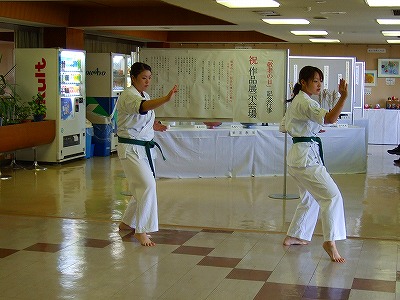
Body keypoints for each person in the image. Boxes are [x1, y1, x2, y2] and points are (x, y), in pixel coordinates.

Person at [279, 66, 348, 263]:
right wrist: (342, 97)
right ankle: (330, 242)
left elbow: (284, 126)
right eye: (315, 81)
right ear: (304, 82)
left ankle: (296, 235)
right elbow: (330, 118)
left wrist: (308, 130)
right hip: (306, 160)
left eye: (320, 81)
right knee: (332, 196)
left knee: (309, 198)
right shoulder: (305, 102)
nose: (319, 85)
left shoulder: (297, 101)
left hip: (298, 158)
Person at [116, 62, 178, 247]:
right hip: (131, 149)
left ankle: (127, 223)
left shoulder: (144, 95)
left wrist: (154, 125)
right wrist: (166, 99)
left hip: (143, 148)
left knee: (140, 187)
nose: (147, 81)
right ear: (133, 78)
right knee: (147, 186)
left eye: (149, 78)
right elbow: (142, 107)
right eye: (144, 78)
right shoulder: (128, 95)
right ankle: (141, 230)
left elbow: (141, 118)